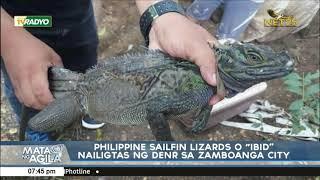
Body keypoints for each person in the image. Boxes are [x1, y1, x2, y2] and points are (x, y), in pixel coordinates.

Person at [1, 0, 222, 141]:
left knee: (87, 73)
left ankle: (88, 114)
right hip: (20, 21)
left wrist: (162, 11)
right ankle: (39, 138)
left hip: (77, 20)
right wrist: (9, 37)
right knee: (34, 96)